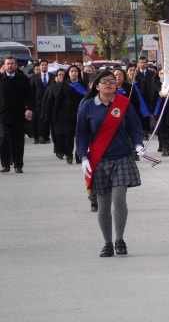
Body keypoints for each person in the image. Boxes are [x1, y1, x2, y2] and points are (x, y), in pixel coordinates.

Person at [75, 70, 145, 257]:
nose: (109, 84)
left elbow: (135, 128)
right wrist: (82, 157)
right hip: (98, 160)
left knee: (119, 199)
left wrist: (138, 144)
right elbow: (81, 134)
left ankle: (120, 239)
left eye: (112, 82)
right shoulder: (87, 106)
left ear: (117, 85)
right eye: (104, 81)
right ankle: (107, 243)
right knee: (103, 204)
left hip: (122, 157)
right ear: (96, 85)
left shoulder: (124, 104)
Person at [0, 57, 35, 173]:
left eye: (12, 64)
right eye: (7, 64)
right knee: (4, 138)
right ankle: (5, 164)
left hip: (19, 115)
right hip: (3, 116)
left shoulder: (23, 79)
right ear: (4, 66)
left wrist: (29, 109)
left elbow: (29, 96)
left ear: (16, 66)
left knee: (18, 141)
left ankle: (18, 165)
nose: (9, 66)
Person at [52, 65, 87, 164]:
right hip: (66, 115)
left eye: (76, 71)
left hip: (81, 113)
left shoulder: (83, 84)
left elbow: (88, 98)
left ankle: (79, 154)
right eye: (72, 71)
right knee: (69, 136)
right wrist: (55, 114)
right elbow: (58, 100)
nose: (74, 73)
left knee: (81, 136)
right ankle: (69, 154)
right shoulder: (64, 85)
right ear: (69, 73)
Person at [31, 59, 54, 144]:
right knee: (37, 120)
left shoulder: (52, 76)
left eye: (45, 65)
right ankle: (37, 137)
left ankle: (46, 137)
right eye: (42, 65)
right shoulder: (34, 77)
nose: (44, 66)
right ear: (39, 67)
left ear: (48, 66)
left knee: (46, 119)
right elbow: (31, 90)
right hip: (37, 102)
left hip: (49, 101)